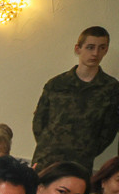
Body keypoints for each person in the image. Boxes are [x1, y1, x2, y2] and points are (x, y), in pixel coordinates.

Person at [33, 26, 119, 172]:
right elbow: (39, 121)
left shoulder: (111, 88)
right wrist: (48, 143)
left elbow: (109, 129)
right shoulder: (56, 83)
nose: (95, 53)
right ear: (78, 49)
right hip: (46, 158)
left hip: (80, 162)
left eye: (101, 48)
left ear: (106, 50)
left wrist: (88, 149)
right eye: (90, 47)